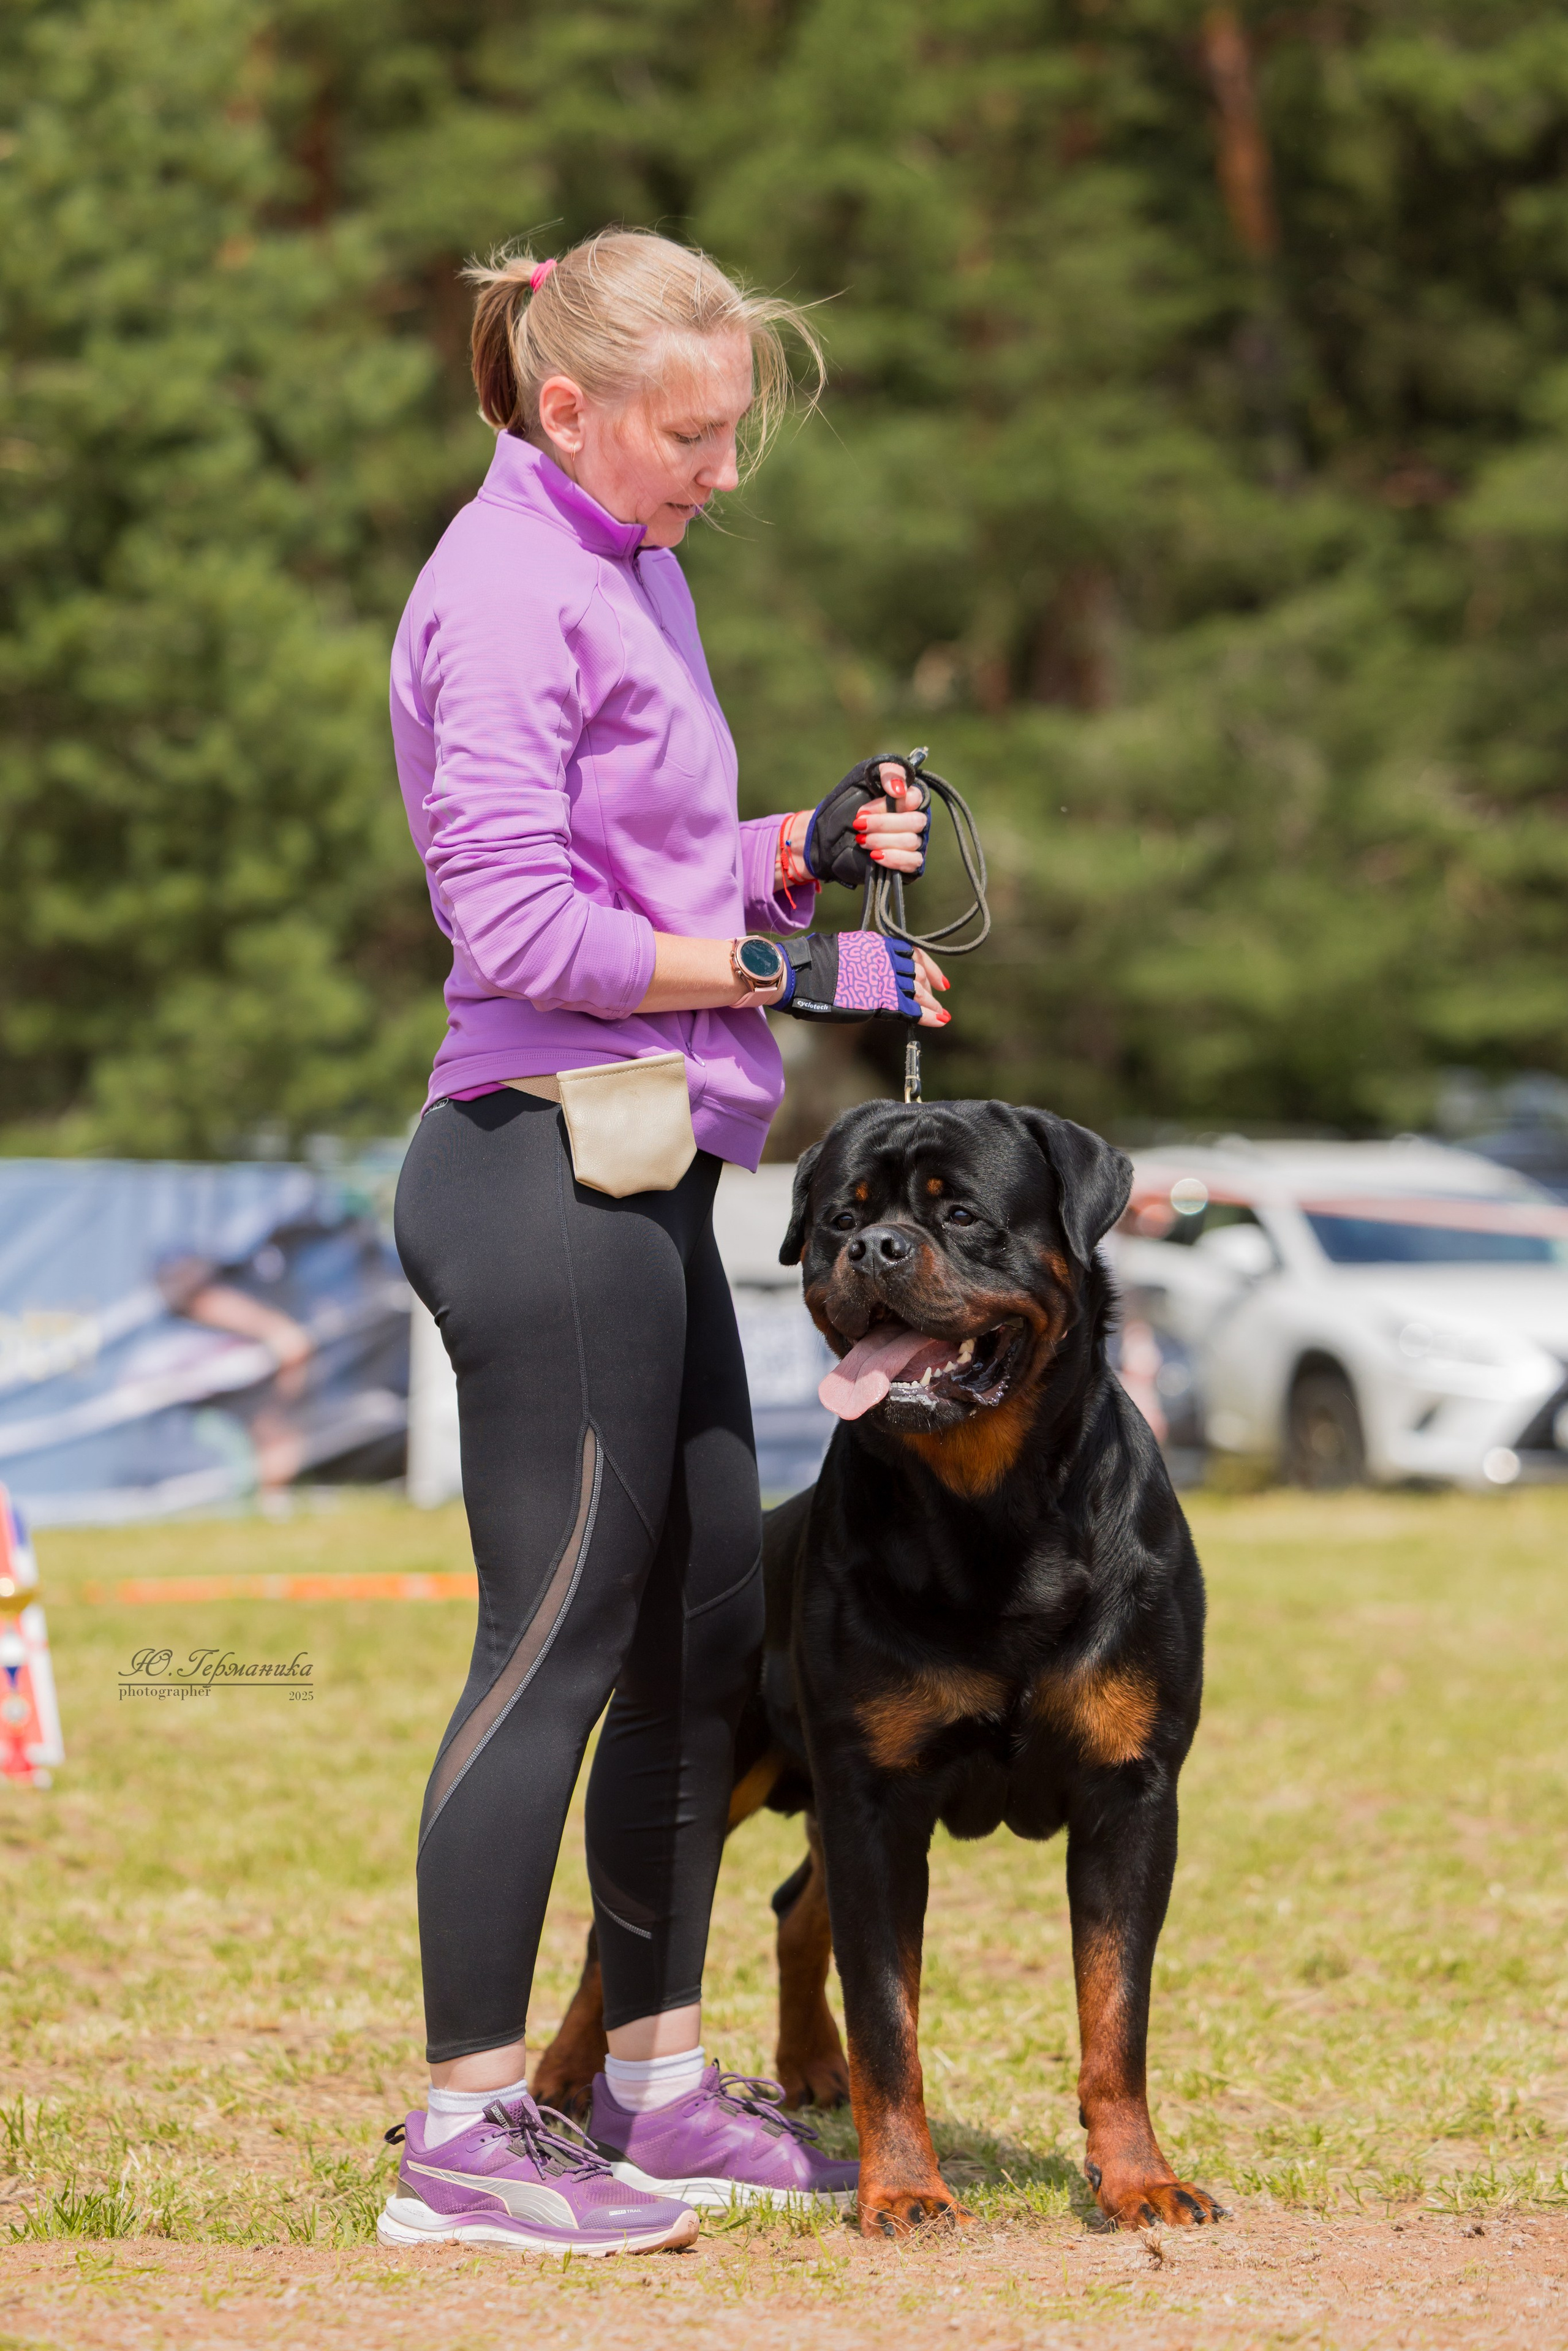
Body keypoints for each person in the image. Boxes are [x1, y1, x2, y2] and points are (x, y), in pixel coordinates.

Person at [384, 228, 951, 2254]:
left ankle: (651, 2081)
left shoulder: (634, 567)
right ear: (569, 409)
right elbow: (519, 931)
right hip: (533, 1171)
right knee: (552, 1649)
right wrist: (796, 956)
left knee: (707, 1633)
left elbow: (655, 865)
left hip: (644, 1175)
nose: (723, 469)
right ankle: (462, 2143)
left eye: (732, 431)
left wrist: (796, 850)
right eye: (690, 433)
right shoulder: (509, 589)